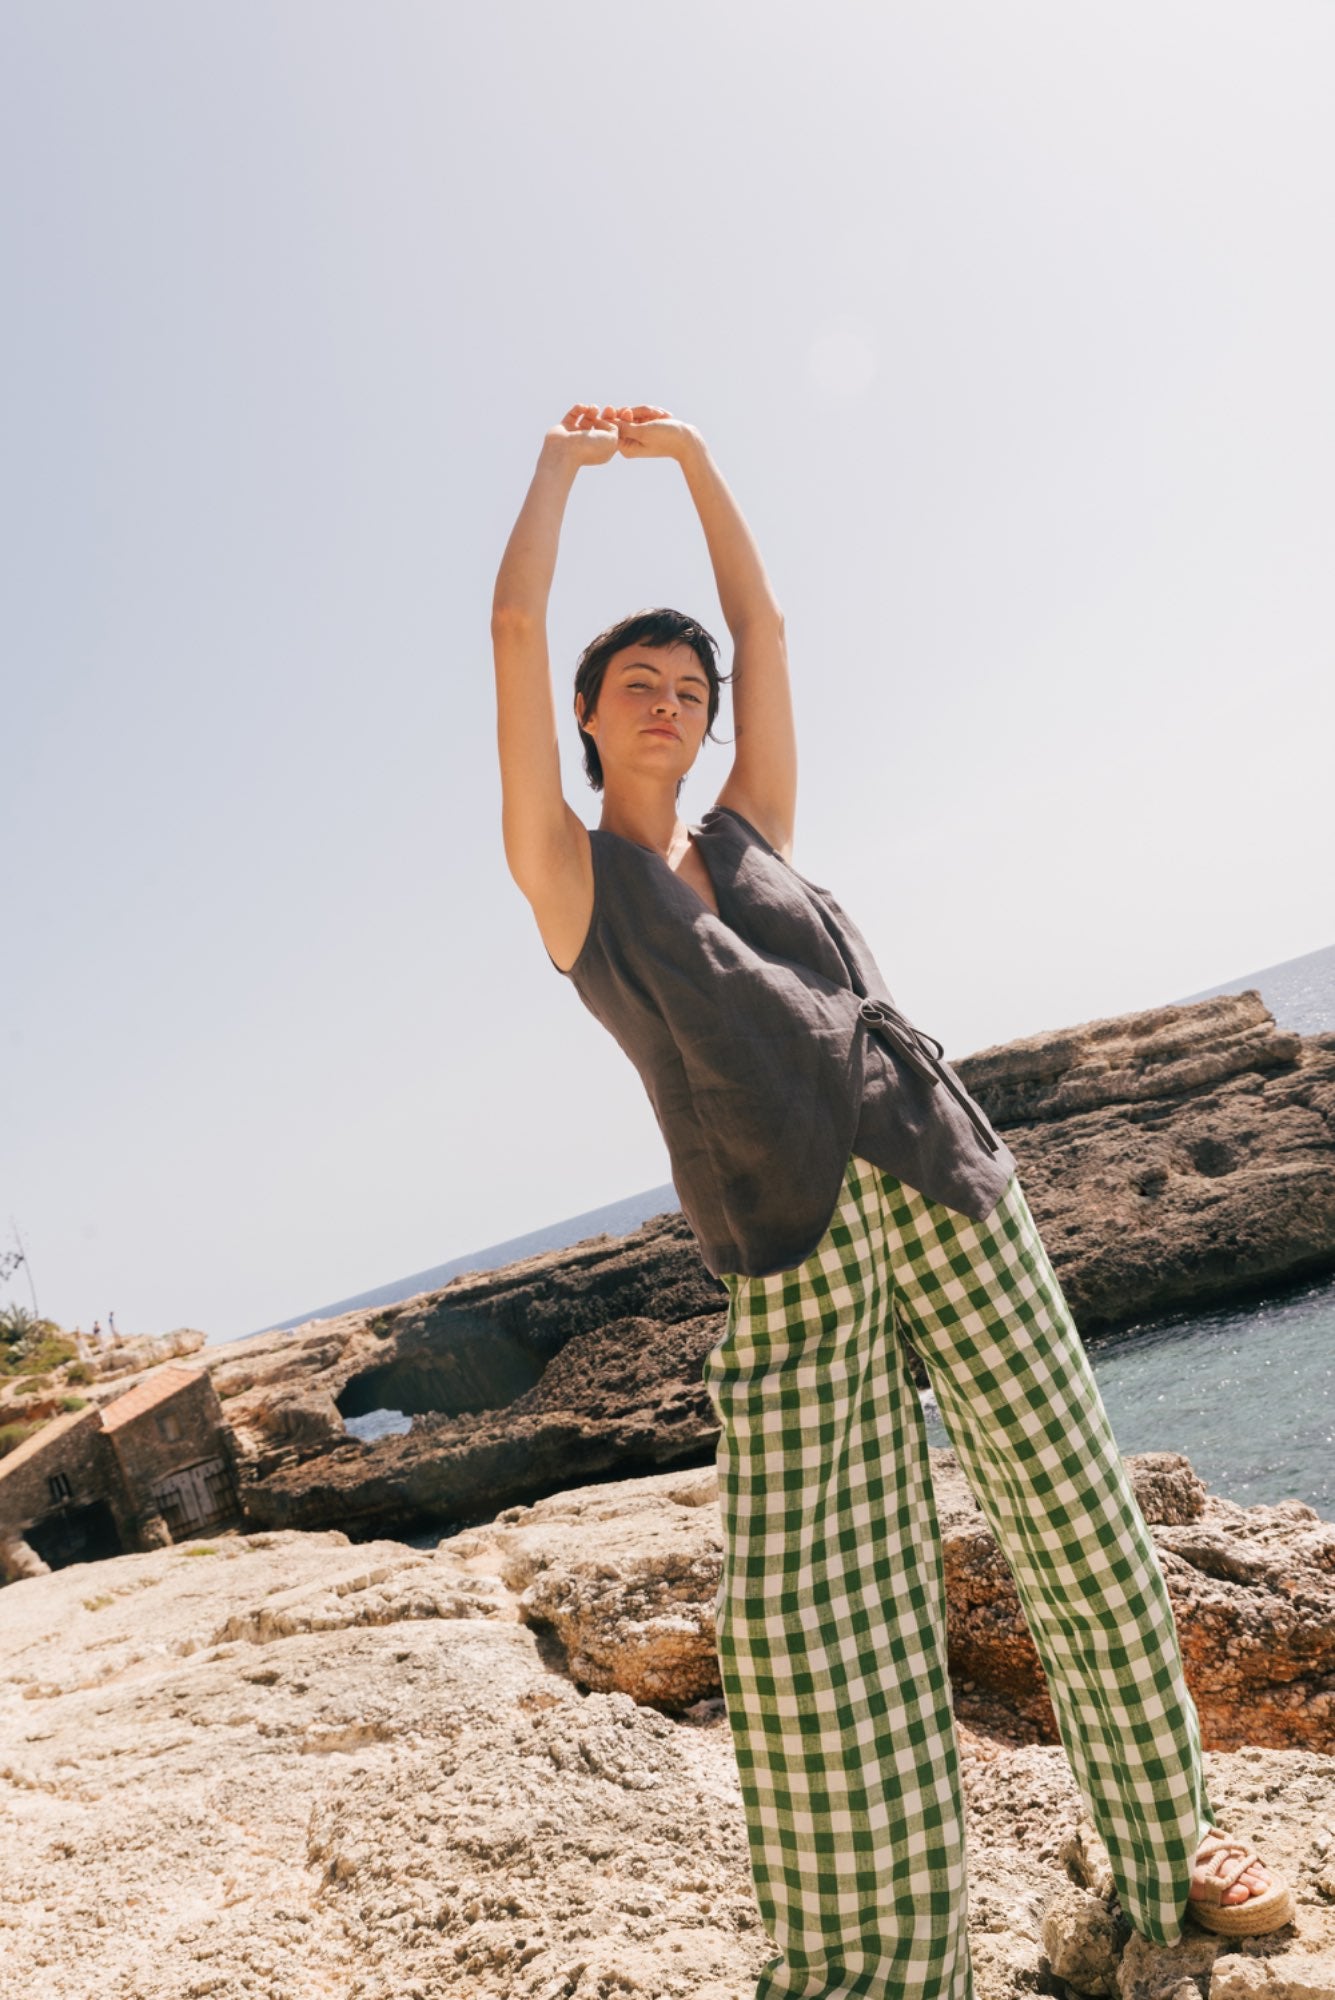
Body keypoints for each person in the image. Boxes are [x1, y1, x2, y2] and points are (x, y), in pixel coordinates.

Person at [491, 404, 1294, 1999]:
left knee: (1081, 1528)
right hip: (789, 1267)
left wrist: (703, 465)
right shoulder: (575, 882)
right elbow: (513, 621)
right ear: (584, 719)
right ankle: (871, 1959)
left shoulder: (752, 829)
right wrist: (566, 472)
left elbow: (768, 626)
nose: (673, 705)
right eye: (637, 688)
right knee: (807, 1641)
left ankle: (1168, 1845)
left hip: (944, 1180)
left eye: (691, 692)